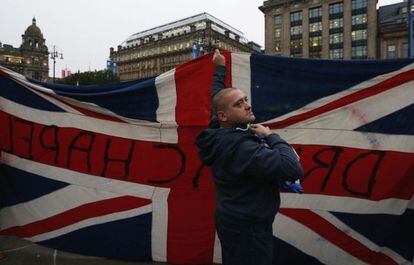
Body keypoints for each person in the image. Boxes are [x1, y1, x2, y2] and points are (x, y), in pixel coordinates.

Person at [195, 50, 303, 265]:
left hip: (233, 219)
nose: (247, 105)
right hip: (249, 229)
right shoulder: (243, 148)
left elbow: (217, 96)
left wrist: (220, 67)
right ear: (224, 115)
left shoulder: (218, 128)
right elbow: (292, 169)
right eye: (239, 104)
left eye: (245, 99)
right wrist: (271, 136)